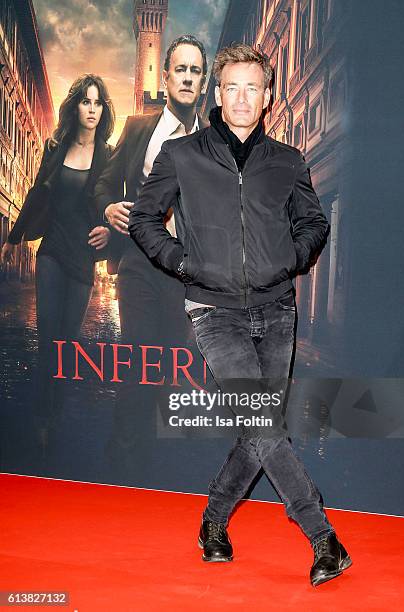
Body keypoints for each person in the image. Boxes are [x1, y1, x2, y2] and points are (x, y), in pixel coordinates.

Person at [128, 43, 352, 587]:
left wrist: (291, 259)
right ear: (217, 92)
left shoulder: (288, 160)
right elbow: (143, 220)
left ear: (268, 95)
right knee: (262, 425)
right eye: (233, 86)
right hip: (213, 311)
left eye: (254, 86)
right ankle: (323, 537)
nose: (244, 96)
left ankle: (213, 522)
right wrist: (186, 264)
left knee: (258, 432)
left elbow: (314, 224)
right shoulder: (183, 155)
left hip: (278, 310)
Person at [94, 35, 208, 474]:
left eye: (195, 71)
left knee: (175, 367)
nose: (186, 78)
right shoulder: (139, 127)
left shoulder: (211, 139)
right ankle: (123, 462)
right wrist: (107, 206)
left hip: (187, 270)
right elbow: (105, 182)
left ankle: (164, 472)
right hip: (140, 261)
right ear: (165, 76)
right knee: (137, 359)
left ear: (202, 81)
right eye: (179, 69)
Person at [1, 74, 115, 440]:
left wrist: (110, 233)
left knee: (68, 344)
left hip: (82, 258)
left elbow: (112, 203)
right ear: (76, 107)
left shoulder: (108, 155)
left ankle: (58, 414)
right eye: (86, 101)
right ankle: (41, 420)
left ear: (104, 109)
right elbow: (36, 192)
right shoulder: (56, 147)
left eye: (98, 102)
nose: (92, 109)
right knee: (48, 338)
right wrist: (13, 237)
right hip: (50, 250)